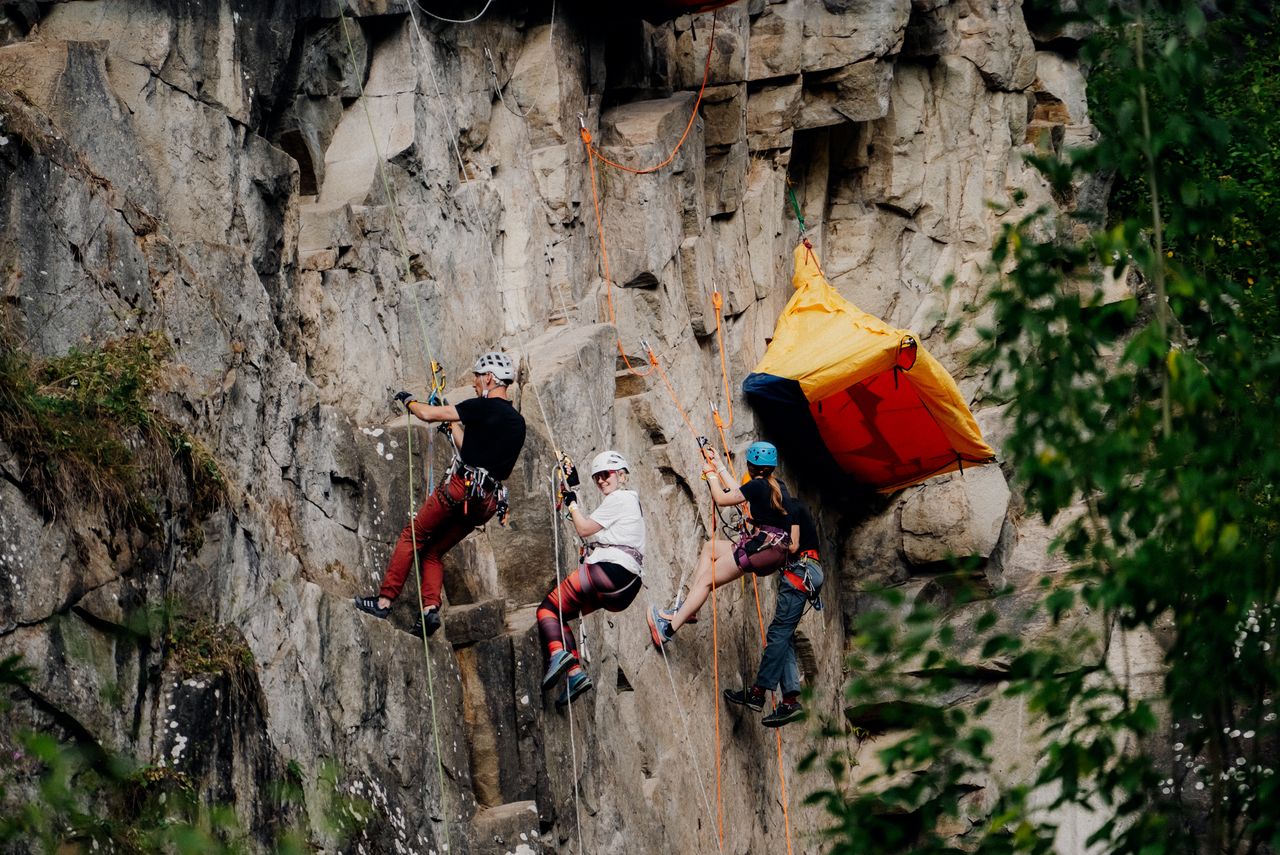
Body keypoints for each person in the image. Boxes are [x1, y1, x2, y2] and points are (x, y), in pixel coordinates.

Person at [354, 351, 527, 636]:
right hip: (484, 502)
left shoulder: (481, 407)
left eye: (476, 377)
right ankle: (430, 611)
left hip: (461, 489)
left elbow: (426, 414)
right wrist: (453, 426)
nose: (474, 383)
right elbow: (472, 451)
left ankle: (384, 601)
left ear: (489, 378)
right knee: (433, 551)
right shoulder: (518, 424)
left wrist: (409, 401)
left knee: (413, 535)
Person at [647, 441, 798, 648]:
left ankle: (666, 630)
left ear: (751, 465)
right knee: (711, 548)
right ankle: (690, 609)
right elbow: (739, 493)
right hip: (772, 550)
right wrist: (718, 466)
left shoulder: (759, 486)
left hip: (761, 548)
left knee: (706, 582)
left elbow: (722, 498)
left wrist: (709, 475)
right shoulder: (777, 486)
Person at [538, 451, 645, 707]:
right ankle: (575, 675)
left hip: (609, 572)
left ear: (621, 475)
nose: (600, 481)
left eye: (605, 475)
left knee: (548, 609)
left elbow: (584, 528)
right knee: (561, 616)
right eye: (597, 477)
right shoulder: (629, 502)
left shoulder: (619, 498)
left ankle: (557, 653)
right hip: (626, 587)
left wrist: (572, 503)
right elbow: (595, 530)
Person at [723, 491, 822, 727]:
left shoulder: (790, 508)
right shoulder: (795, 507)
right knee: (783, 636)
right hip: (807, 570)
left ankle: (758, 692)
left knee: (777, 634)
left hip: (801, 571)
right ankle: (789, 700)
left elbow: (791, 543)